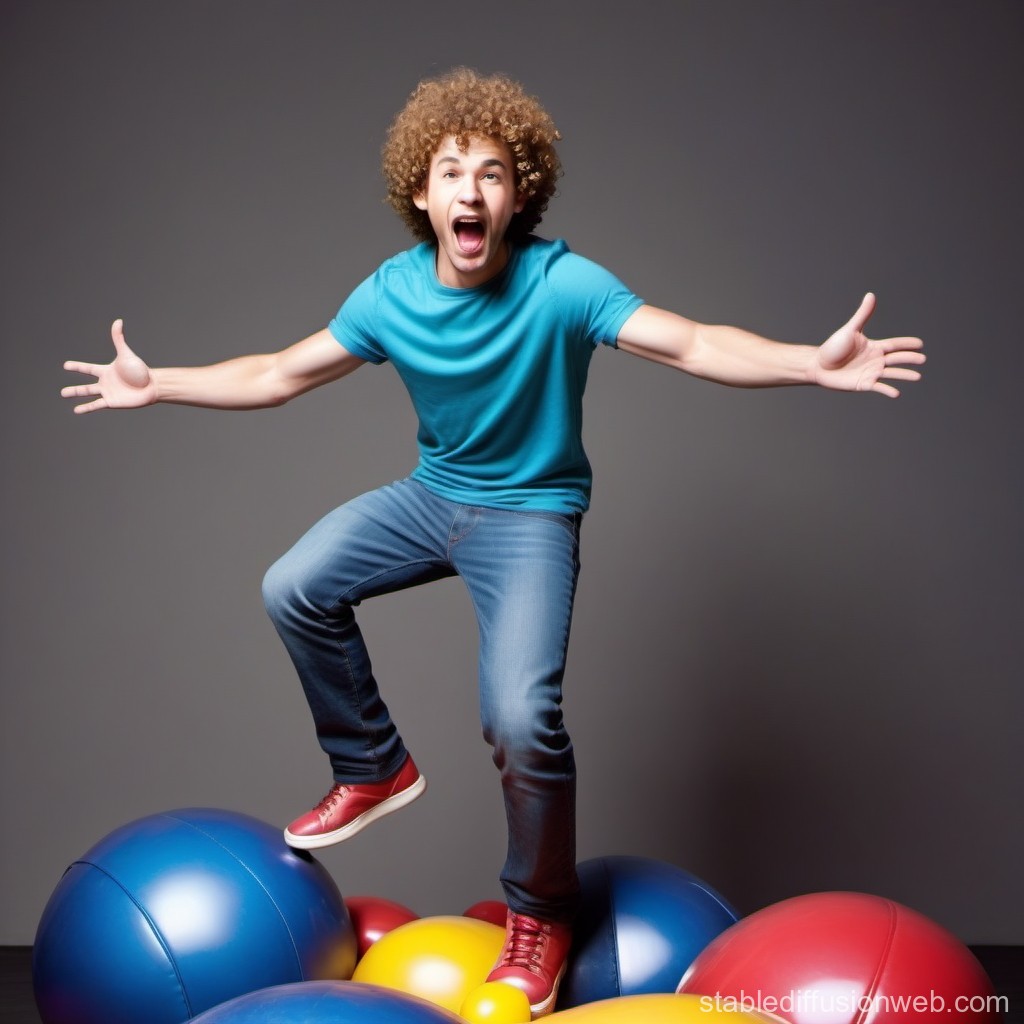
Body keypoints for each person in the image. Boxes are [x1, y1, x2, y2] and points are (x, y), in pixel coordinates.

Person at [61, 68, 924, 1017]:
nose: (471, 191)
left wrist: (810, 362)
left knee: (520, 719)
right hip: (434, 499)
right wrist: (161, 383)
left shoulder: (564, 283)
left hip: (531, 517)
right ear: (421, 196)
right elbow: (275, 372)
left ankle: (541, 914)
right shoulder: (391, 293)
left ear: (520, 195)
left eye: (494, 173)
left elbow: (691, 343)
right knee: (294, 583)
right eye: (451, 171)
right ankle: (371, 765)